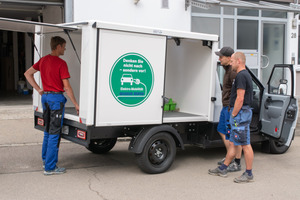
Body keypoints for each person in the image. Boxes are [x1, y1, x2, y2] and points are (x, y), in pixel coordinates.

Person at [24, 36, 79, 175]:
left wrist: (38, 89)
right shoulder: (61, 63)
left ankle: (45, 161)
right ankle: (50, 167)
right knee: (55, 133)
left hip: (46, 98)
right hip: (55, 99)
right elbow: (67, 87)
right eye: (64, 46)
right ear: (58, 46)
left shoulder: (43, 60)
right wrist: (76, 104)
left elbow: (27, 74)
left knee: (48, 131)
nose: (65, 49)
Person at [208, 52, 254, 183]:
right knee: (233, 143)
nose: (231, 63)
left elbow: (240, 98)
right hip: (240, 113)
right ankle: (223, 168)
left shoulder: (241, 76)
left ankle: (249, 173)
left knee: (245, 145)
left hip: (240, 114)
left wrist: (233, 114)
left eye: (232, 61)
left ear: (239, 61)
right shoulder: (242, 75)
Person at [215, 47, 242, 172]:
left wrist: (234, 110)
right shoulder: (227, 69)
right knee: (221, 130)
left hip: (230, 108)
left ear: (229, 58)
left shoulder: (233, 72)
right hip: (225, 106)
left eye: (221, 57)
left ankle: (236, 162)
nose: (219, 59)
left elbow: (238, 92)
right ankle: (229, 156)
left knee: (233, 136)